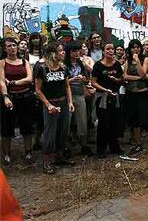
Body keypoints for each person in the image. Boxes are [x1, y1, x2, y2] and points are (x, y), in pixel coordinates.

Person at [35, 41, 75, 174]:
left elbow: (67, 86)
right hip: (50, 104)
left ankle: (59, 156)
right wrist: (48, 105)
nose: (63, 52)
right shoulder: (42, 68)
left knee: (63, 130)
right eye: (60, 50)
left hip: (63, 102)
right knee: (49, 133)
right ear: (52, 53)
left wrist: (70, 102)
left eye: (63, 50)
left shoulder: (63, 67)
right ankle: (47, 161)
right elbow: (38, 90)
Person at [0, 37, 35, 165]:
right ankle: (7, 154)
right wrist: (5, 96)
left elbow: (29, 79)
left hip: (25, 96)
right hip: (10, 97)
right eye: (8, 46)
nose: (12, 48)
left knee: (27, 126)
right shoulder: (2, 63)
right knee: (7, 127)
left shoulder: (24, 61)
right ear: (4, 49)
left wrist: (14, 82)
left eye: (14, 45)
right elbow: (2, 81)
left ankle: (28, 151)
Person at [124, 39, 148, 160]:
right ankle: (138, 144)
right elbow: (125, 76)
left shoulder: (145, 59)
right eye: (133, 47)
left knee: (145, 121)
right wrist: (140, 77)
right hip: (131, 93)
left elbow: (143, 73)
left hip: (142, 94)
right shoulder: (127, 60)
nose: (136, 49)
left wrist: (137, 61)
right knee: (135, 121)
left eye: (137, 47)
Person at [91, 42, 124, 158]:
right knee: (103, 123)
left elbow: (121, 79)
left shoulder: (117, 65)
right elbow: (93, 82)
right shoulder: (98, 66)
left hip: (115, 97)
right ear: (103, 51)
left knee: (115, 122)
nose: (110, 51)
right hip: (102, 98)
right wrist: (105, 90)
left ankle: (114, 146)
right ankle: (101, 149)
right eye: (108, 49)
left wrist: (116, 80)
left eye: (112, 49)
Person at [64, 41, 93, 157]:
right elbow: (62, 82)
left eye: (78, 50)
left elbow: (87, 78)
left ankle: (84, 145)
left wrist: (83, 79)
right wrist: (73, 79)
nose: (76, 53)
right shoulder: (64, 65)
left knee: (82, 120)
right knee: (67, 122)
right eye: (74, 51)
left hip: (80, 93)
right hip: (67, 95)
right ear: (69, 52)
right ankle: (65, 147)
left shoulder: (81, 63)